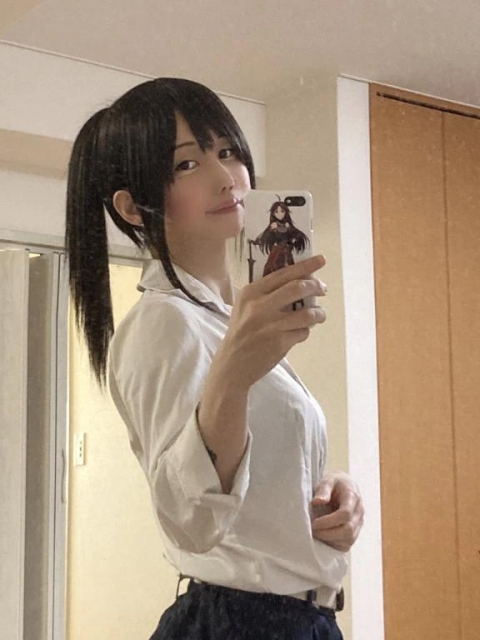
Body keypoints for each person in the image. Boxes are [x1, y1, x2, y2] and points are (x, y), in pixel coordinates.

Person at [65, 77, 364, 640]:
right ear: (132, 207)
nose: (226, 176)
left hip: (293, 619)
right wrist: (234, 371)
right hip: (243, 622)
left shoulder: (227, 317)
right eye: (186, 164)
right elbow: (192, 519)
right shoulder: (163, 323)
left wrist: (330, 491)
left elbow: (251, 477)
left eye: (227, 151)